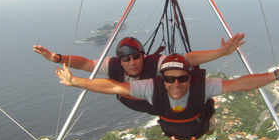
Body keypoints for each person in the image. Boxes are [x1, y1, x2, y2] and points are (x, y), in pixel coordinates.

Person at [55, 52, 279, 140]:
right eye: (169, 79)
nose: (175, 84)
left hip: (199, 124)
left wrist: (277, 76)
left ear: (190, 78)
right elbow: (113, 87)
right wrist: (76, 81)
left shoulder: (201, 87)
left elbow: (239, 84)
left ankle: (208, 124)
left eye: (182, 79)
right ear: (161, 79)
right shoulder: (149, 87)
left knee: (208, 121)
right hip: (171, 127)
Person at [34, 33, 245, 114]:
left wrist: (221, 53)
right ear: (120, 60)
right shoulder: (113, 65)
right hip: (145, 105)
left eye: (137, 57)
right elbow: (86, 63)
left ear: (143, 55)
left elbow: (188, 59)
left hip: (164, 104)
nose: (133, 62)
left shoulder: (156, 63)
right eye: (127, 59)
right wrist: (59, 58)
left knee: (200, 115)